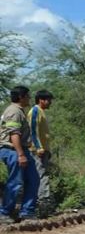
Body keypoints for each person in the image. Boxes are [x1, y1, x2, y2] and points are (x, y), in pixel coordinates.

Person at [0, 86, 39, 224]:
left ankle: (27, 212)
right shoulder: (14, 112)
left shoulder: (20, 111)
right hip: (13, 151)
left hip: (21, 150)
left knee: (33, 179)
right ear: (21, 97)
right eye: (28, 96)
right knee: (15, 182)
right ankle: (4, 213)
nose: (29, 98)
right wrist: (20, 154)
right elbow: (14, 135)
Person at [28, 89, 54, 216]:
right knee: (41, 177)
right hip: (37, 151)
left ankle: (43, 205)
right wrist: (38, 148)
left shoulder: (41, 112)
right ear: (41, 100)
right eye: (48, 100)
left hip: (44, 150)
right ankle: (42, 206)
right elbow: (32, 130)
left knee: (43, 176)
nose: (50, 103)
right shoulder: (35, 111)